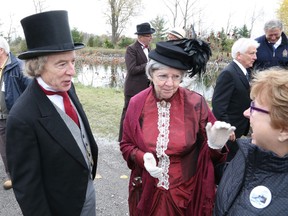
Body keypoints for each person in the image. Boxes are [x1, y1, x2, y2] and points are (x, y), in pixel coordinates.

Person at [120, 38, 236, 216]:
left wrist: (215, 145)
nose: (170, 83)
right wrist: (143, 158)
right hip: (147, 190)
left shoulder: (195, 103)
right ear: (150, 75)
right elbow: (126, 144)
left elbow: (211, 157)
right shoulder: (137, 103)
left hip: (185, 194)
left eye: (176, 77)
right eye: (163, 76)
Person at [6, 10, 98, 216]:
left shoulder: (67, 87)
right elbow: (28, 190)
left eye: (73, 61)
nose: (72, 71)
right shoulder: (22, 117)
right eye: (62, 64)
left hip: (85, 191)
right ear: (38, 67)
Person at [214, 67, 288, 215]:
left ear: (284, 130)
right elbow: (227, 175)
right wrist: (213, 149)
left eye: (254, 108)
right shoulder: (247, 153)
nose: (246, 113)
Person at [212, 38, 259, 161]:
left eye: (255, 53)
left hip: (239, 127)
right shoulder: (229, 73)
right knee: (227, 163)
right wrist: (227, 128)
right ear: (239, 55)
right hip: (230, 131)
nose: (255, 57)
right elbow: (218, 105)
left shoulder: (244, 72)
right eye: (252, 53)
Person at [0, 36, 31, 190]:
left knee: (21, 146)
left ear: (1, 50)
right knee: (4, 150)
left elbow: (31, 91)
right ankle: (12, 176)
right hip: (0, 119)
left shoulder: (18, 66)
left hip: (15, 117)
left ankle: (27, 174)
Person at [118, 22, 155, 141]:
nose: (151, 38)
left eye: (151, 35)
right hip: (133, 88)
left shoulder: (149, 48)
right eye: (149, 35)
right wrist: (149, 64)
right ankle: (122, 139)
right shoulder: (131, 49)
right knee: (127, 114)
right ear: (141, 37)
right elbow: (132, 69)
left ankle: (137, 138)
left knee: (141, 115)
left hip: (145, 89)